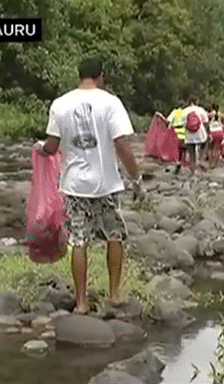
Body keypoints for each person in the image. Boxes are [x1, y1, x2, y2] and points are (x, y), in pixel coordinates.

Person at [35, 57, 142, 315]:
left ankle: (81, 303)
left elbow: (52, 146)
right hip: (106, 184)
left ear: (79, 75)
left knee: (79, 241)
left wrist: (40, 149)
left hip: (74, 186)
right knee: (114, 236)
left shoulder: (60, 104)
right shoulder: (111, 102)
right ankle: (115, 295)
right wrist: (136, 178)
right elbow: (122, 145)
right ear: (101, 76)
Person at [181, 95, 209, 175]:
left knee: (191, 156)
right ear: (196, 102)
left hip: (188, 136)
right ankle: (201, 159)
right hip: (200, 135)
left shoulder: (184, 111)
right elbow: (206, 121)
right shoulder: (200, 110)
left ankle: (193, 172)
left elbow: (182, 124)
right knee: (205, 144)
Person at [207, 103, 224, 169]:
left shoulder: (209, 115)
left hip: (211, 133)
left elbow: (206, 124)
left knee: (210, 149)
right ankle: (215, 164)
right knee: (217, 149)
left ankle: (210, 163)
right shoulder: (222, 115)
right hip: (219, 132)